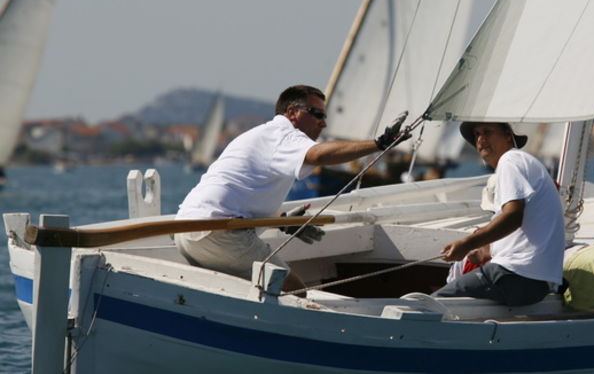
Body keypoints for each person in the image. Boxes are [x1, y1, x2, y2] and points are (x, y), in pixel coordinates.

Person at [174, 85, 409, 295]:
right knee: (294, 291)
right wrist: (379, 144)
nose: (323, 123)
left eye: (324, 116)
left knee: (242, 290)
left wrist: (281, 222)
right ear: (292, 113)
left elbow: (237, 195)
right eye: (316, 114)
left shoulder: (263, 136)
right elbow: (319, 155)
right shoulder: (284, 134)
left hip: (185, 231)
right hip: (219, 234)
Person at [433, 122, 565, 306]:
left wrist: (466, 244)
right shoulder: (522, 161)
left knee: (433, 304)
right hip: (535, 281)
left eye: (487, 132)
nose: (480, 139)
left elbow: (513, 217)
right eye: (477, 134)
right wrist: (486, 250)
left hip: (516, 274)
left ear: (508, 136)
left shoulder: (510, 161)